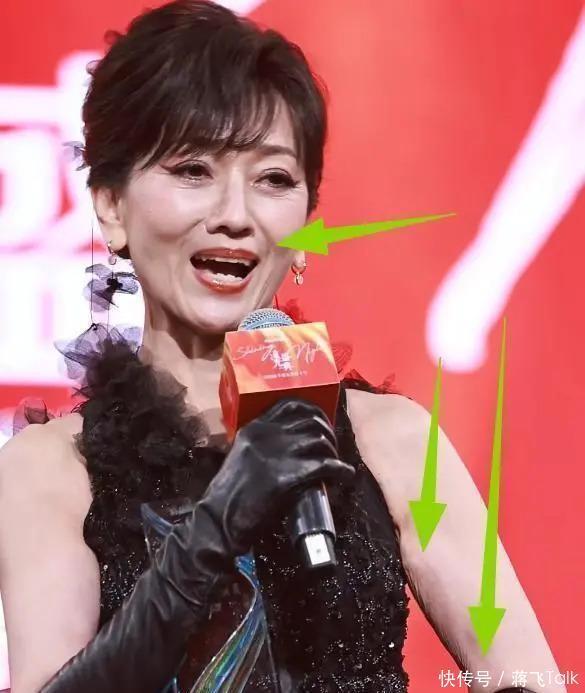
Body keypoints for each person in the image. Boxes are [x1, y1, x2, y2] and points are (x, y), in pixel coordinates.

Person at [0, 2, 565, 692]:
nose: (236, 215)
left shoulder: (394, 446)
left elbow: (528, 677)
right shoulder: (54, 471)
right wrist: (215, 525)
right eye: (193, 170)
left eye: (273, 179)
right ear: (112, 207)